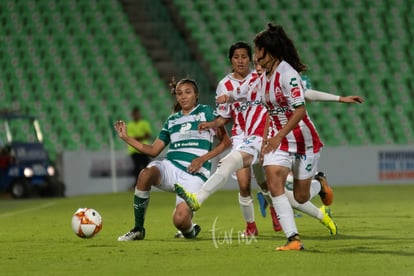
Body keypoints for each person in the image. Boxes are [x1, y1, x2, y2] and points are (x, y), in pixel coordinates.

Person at [115, 77, 231, 241]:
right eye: (179, 93)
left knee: (180, 220)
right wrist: (126, 138)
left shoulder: (206, 112)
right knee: (145, 174)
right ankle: (138, 229)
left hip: (194, 174)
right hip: (171, 167)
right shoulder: (172, 120)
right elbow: (153, 150)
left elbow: (226, 142)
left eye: (188, 92)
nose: (183, 96)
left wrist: (203, 158)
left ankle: (189, 230)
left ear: (196, 95)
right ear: (176, 97)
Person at [126, 106, 152, 184]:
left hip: (144, 149)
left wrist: (137, 138)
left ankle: (146, 183)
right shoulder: (129, 125)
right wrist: (142, 137)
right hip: (134, 150)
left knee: (146, 166)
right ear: (132, 115)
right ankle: (137, 184)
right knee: (137, 168)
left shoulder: (144, 123)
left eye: (137, 114)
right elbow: (131, 137)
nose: (136, 115)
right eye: (135, 114)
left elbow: (148, 135)